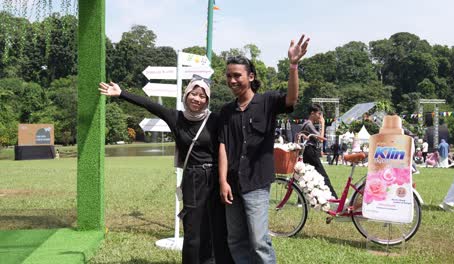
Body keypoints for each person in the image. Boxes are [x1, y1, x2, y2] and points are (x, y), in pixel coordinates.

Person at [99, 76, 233, 264]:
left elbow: (224, 147)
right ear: (186, 95)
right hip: (193, 178)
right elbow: (150, 105)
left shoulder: (215, 119)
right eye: (193, 94)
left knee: (214, 227)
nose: (197, 99)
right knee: (193, 229)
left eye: (202, 96)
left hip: (215, 177)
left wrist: (224, 180)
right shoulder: (176, 118)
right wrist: (121, 93)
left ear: (207, 100)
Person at [218, 34, 309, 263]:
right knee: (236, 240)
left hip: (256, 182)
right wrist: (222, 181)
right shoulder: (226, 111)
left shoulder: (266, 102)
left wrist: (293, 65)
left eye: (237, 75)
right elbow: (223, 146)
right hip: (232, 183)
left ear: (250, 76)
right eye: (228, 76)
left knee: (259, 241)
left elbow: (291, 98)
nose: (232, 80)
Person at [300, 104, 338, 198]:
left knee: (305, 176)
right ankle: (334, 197)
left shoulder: (306, 124)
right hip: (310, 151)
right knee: (323, 175)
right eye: (319, 113)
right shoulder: (309, 124)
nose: (320, 116)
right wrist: (323, 123)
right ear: (312, 113)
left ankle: (300, 200)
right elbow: (321, 139)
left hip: (307, 151)